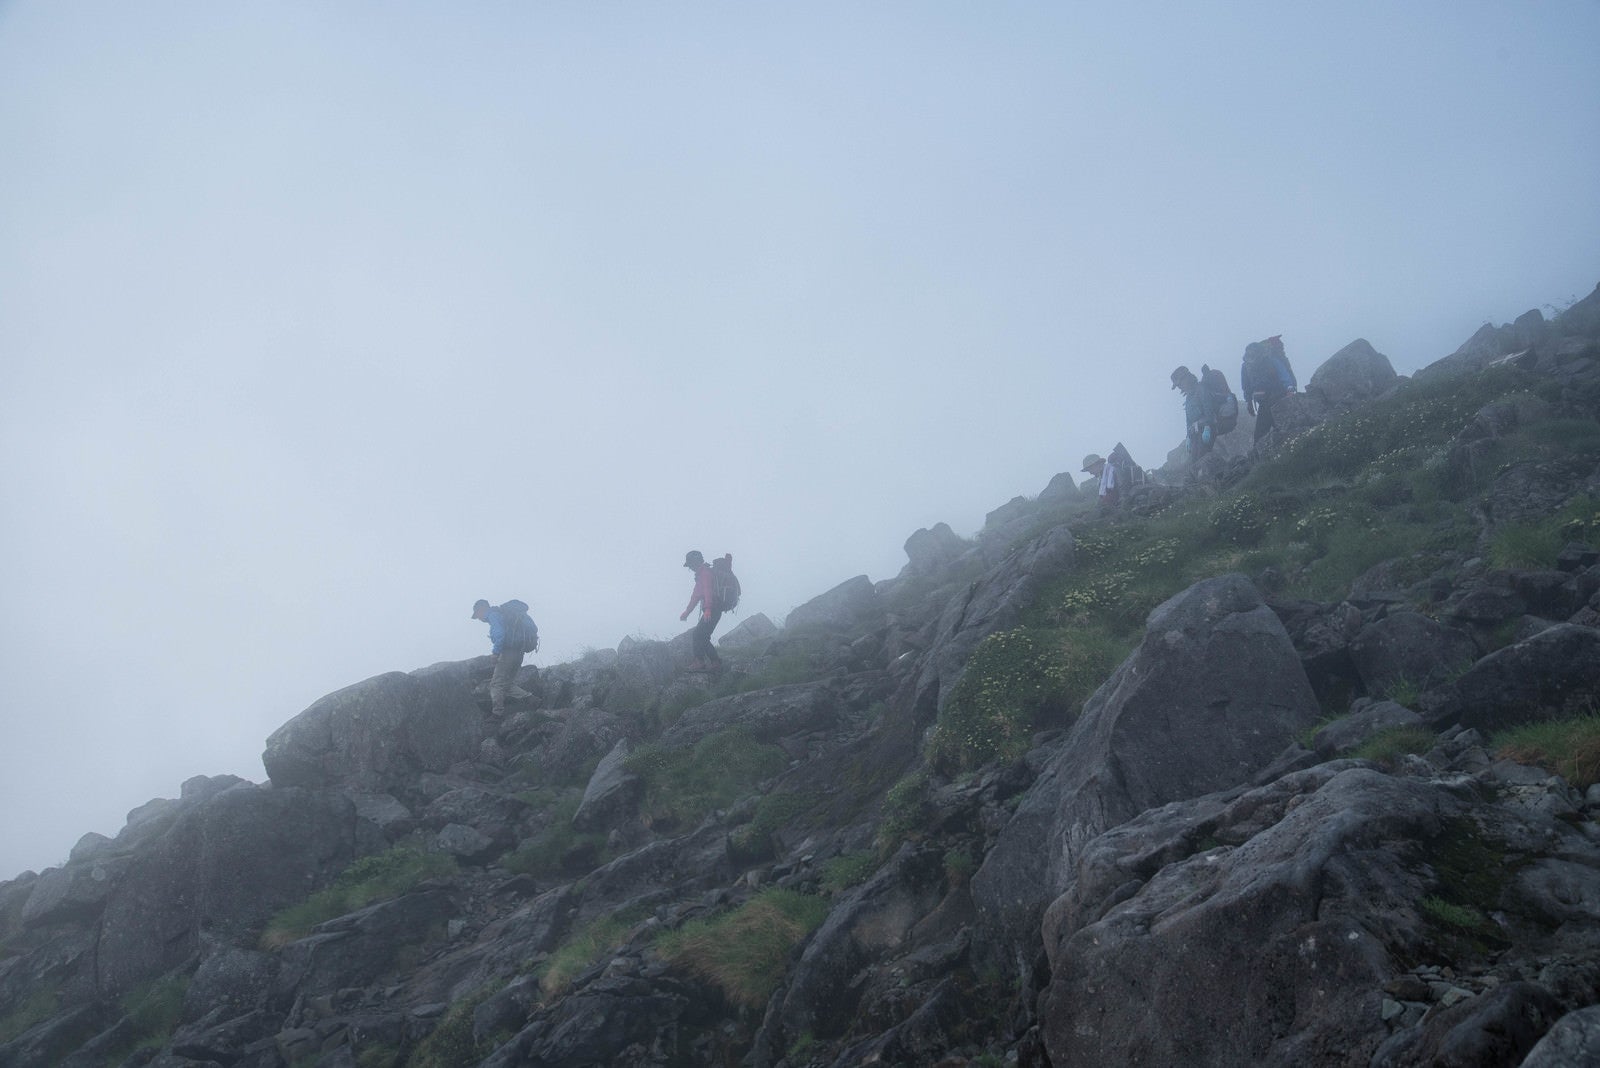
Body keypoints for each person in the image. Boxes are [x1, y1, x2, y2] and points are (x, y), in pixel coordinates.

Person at [471, 598, 539, 715]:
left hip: (508, 653)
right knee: (506, 684)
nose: (478, 618)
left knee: (496, 684)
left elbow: (499, 634)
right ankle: (531, 699)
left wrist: (495, 653)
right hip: (519, 652)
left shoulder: (493, 615)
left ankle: (497, 714)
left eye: (477, 615)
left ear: (481, 609)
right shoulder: (502, 615)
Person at [1240, 335, 1298, 442]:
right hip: (1270, 401)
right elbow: (1246, 386)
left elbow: (1283, 375)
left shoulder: (1269, 360)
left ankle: (1263, 455)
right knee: (1276, 430)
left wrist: (1290, 389)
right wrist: (1249, 402)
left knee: (1264, 433)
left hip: (1277, 399)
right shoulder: (1247, 367)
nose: (1251, 358)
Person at [679, 550, 723, 672]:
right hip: (713, 609)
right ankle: (715, 662)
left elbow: (708, 591)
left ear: (695, 562)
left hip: (712, 609)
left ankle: (700, 662)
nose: (690, 568)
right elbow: (695, 596)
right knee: (703, 636)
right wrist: (687, 612)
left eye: (690, 565)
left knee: (698, 634)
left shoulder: (705, 574)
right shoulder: (701, 575)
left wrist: (708, 609)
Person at [1171, 365, 1218, 461]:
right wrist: (1188, 436)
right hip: (1195, 433)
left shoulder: (1201, 389)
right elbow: (1188, 420)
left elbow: (1209, 410)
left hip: (1206, 429)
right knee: (1194, 460)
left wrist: (1208, 427)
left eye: (1179, 384)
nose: (1179, 387)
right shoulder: (1189, 397)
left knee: (1202, 457)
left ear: (1186, 379)